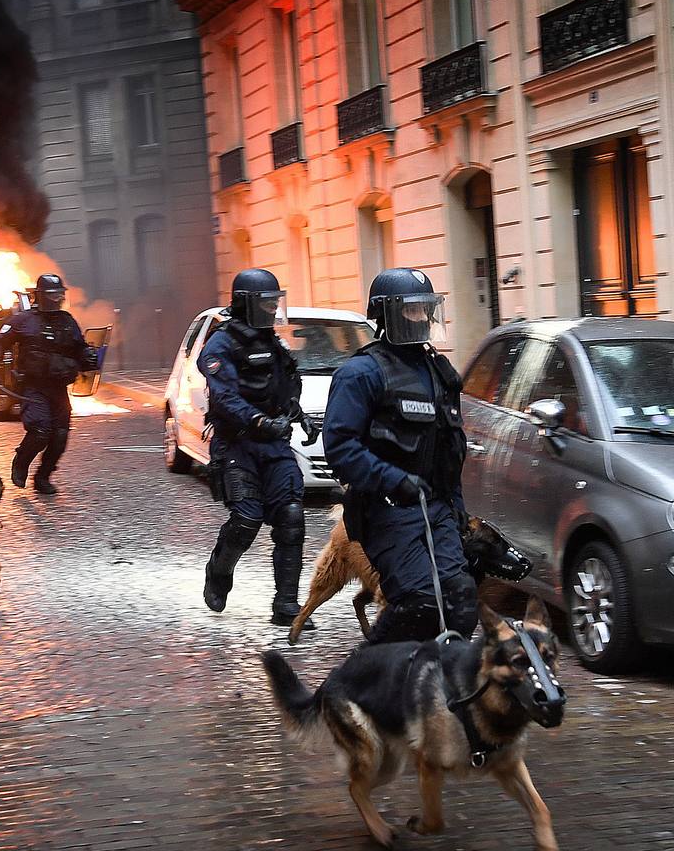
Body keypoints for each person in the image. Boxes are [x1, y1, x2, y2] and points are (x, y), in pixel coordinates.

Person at [322, 267, 475, 643]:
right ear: (387, 314)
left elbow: (449, 450)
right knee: (418, 601)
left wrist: (457, 510)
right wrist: (393, 480)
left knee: (461, 600)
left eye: (426, 309)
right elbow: (340, 447)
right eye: (412, 310)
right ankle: (366, 674)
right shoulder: (361, 373)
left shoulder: (439, 372)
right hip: (386, 509)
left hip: (437, 507)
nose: (422, 318)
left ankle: (439, 684)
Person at [198, 268, 317, 628]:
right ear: (245, 304)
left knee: (291, 516)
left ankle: (287, 605)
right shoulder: (221, 344)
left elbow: (280, 389)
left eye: (273, 302)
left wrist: (299, 415)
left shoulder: (271, 342)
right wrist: (260, 422)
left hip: (274, 446)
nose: (271, 310)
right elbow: (224, 397)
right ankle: (219, 572)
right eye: (264, 303)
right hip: (238, 444)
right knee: (247, 519)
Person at [0, 274, 97, 495]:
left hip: (58, 387)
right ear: (41, 296)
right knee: (40, 430)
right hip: (32, 386)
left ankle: (43, 477)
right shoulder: (24, 320)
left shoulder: (67, 321)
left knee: (60, 435)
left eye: (60, 294)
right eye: (52, 294)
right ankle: (21, 461)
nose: (57, 299)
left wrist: (88, 356)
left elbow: (79, 346)